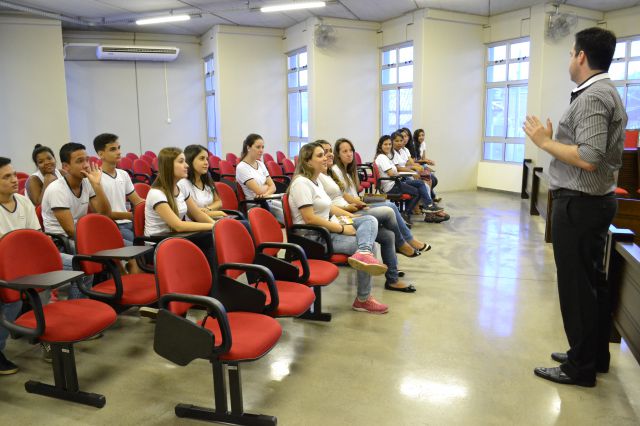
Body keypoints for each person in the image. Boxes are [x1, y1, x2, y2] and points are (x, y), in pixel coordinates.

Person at [524, 27, 627, 388]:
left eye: (571, 53)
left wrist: (545, 142)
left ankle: (579, 367)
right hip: (590, 203)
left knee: (576, 288)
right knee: (590, 284)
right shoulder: (603, 91)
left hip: (580, 205)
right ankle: (592, 355)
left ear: (581, 56)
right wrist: (554, 141)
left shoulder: (594, 96)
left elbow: (588, 157)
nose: (569, 59)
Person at [288, 143, 389, 313]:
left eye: (325, 154)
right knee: (371, 245)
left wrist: (351, 218)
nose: (325, 158)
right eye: (320, 155)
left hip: (326, 229)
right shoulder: (301, 183)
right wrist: (341, 229)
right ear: (308, 161)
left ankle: (363, 253)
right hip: (314, 238)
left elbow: (329, 208)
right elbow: (309, 218)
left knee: (369, 219)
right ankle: (363, 299)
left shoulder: (315, 182)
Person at [317, 140, 417, 292]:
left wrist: (360, 202)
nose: (328, 155)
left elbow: (347, 196)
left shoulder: (332, 173)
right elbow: (328, 207)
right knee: (388, 210)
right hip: (343, 216)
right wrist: (351, 209)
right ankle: (404, 242)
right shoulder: (323, 176)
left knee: (388, 233)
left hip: (349, 209)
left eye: (351, 150)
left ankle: (392, 279)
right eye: (323, 153)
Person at [332, 138, 429, 253]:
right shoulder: (337, 170)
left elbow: (356, 193)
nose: (349, 154)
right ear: (337, 155)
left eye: (351, 150)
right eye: (345, 151)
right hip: (358, 203)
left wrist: (354, 171)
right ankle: (406, 240)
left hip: (359, 200)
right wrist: (363, 203)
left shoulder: (348, 170)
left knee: (387, 202)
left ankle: (405, 241)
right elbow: (347, 197)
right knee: (391, 206)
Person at [41, 143, 111, 299]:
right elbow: (70, 230)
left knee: (119, 245)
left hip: (79, 237)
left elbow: (105, 214)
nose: (86, 165)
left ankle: (106, 295)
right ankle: (78, 305)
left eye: (87, 159)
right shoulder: (57, 189)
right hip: (60, 242)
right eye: (80, 161)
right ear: (66, 167)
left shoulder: (86, 182)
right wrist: (95, 242)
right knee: (86, 264)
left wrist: (97, 185)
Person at [144, 147, 216, 238]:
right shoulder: (156, 193)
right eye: (181, 161)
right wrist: (214, 226)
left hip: (175, 237)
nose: (187, 165)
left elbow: (197, 214)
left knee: (213, 237)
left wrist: (216, 224)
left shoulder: (181, 187)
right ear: (169, 166)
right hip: (158, 242)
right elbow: (178, 226)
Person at [375, 135, 442, 223]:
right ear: (380, 145)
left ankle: (428, 206)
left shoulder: (386, 156)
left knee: (420, 183)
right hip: (391, 186)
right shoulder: (382, 157)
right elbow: (391, 173)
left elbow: (395, 170)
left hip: (396, 182)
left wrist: (403, 172)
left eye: (389, 144)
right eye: (385, 144)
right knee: (416, 192)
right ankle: (406, 214)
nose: (388, 146)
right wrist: (402, 173)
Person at [93, 133, 144, 244]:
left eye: (119, 148)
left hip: (130, 222)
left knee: (153, 241)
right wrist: (130, 215)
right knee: (141, 247)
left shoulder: (123, 174)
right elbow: (102, 213)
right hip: (112, 225)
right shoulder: (94, 178)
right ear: (101, 154)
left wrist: (153, 205)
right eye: (113, 149)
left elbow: (137, 201)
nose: (119, 152)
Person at [235, 133, 284, 224]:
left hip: (266, 199)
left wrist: (266, 194)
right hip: (256, 204)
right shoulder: (242, 167)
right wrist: (267, 186)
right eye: (258, 147)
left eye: (262, 147)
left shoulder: (260, 164)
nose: (261, 150)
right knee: (287, 214)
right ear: (248, 148)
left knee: (290, 205)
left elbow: (273, 187)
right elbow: (258, 190)